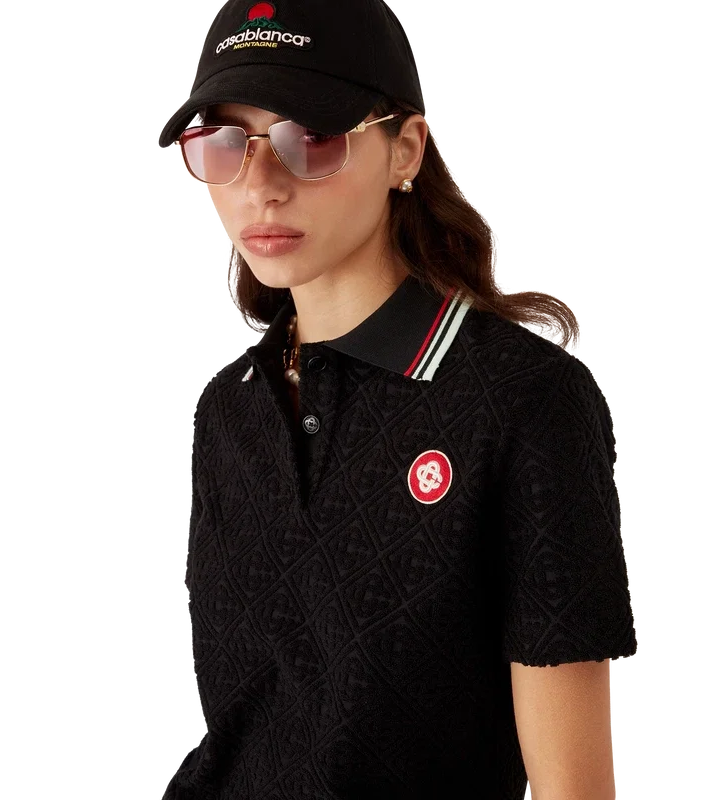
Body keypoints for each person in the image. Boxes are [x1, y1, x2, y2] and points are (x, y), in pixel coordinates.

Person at [157, 2, 638, 798]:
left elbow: (572, 787)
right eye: (225, 143)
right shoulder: (230, 412)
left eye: (311, 137)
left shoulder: (523, 401)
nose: (261, 186)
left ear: (405, 149)